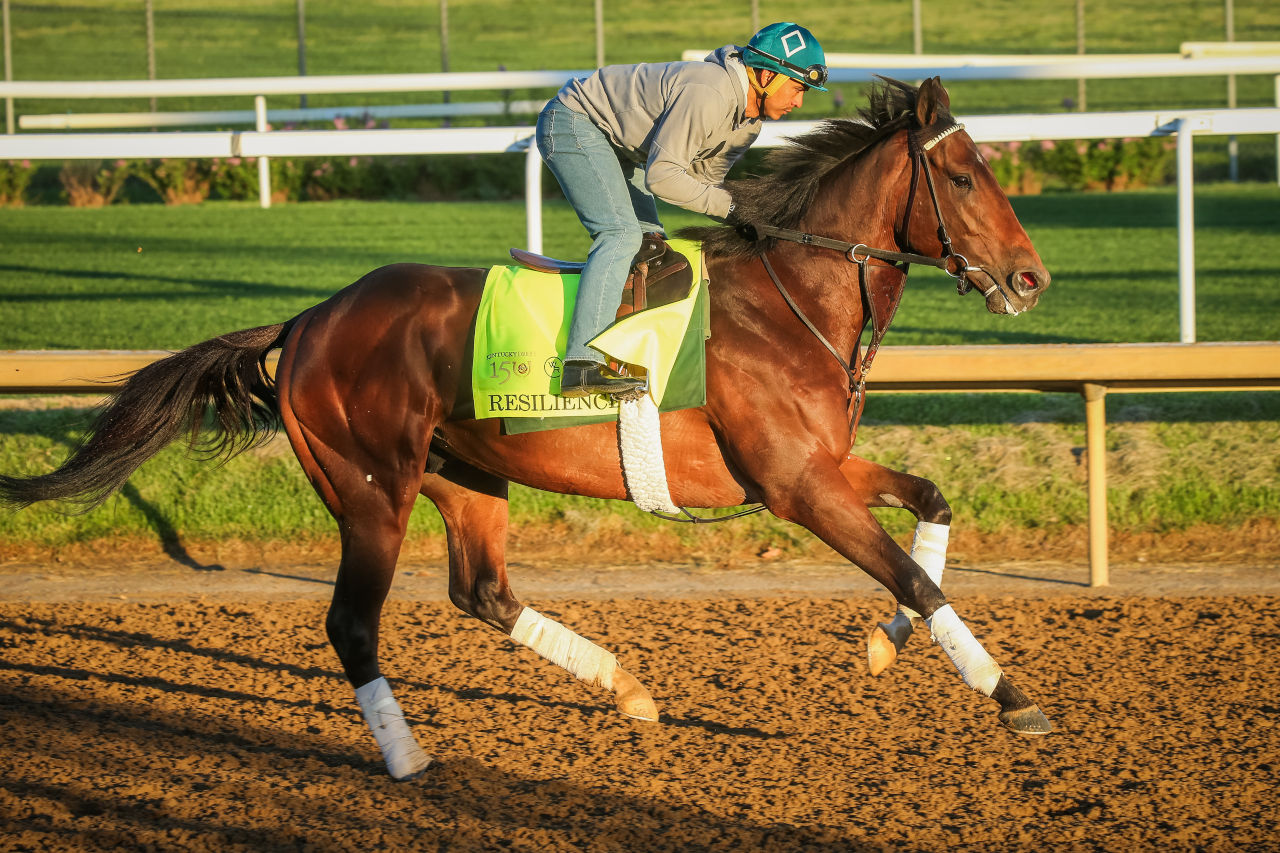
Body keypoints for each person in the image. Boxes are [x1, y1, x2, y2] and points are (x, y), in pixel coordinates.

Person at [537, 22, 828, 397]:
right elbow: (662, 178)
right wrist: (733, 207)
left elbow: (704, 182)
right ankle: (581, 364)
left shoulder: (748, 124)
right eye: (797, 87)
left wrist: (757, 214)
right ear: (768, 74)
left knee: (651, 245)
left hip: (623, 148)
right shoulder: (710, 92)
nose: (799, 101)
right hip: (574, 121)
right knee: (621, 234)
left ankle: (626, 353)